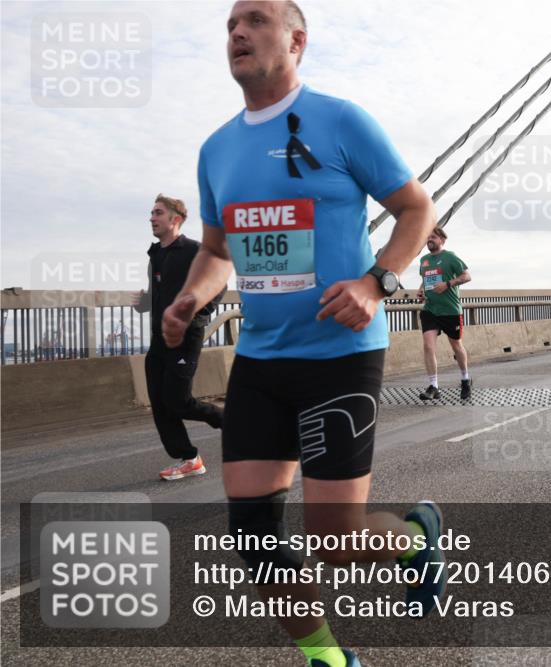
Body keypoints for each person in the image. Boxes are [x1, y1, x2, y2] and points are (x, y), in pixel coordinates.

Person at [163, 3, 442, 665]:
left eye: (255, 19)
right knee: (254, 537)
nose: (237, 31)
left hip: (339, 356)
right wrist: (190, 298)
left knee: (335, 540)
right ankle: (330, 659)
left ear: (296, 40)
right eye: (231, 23)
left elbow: (415, 207)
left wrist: (378, 282)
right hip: (260, 361)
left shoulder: (341, 120)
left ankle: (414, 534)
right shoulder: (215, 149)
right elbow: (217, 251)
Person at [132, 194, 225, 480]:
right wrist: (145, 302)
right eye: (151, 212)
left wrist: (195, 315)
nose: (151, 217)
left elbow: (218, 284)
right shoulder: (156, 255)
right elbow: (162, 292)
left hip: (186, 338)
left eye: (158, 212)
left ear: (175, 219)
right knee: (160, 403)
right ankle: (189, 458)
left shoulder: (193, 251)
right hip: (159, 341)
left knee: (178, 401)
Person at [417, 226, 472, 400]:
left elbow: (466, 276)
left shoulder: (450, 257)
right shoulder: (424, 260)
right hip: (430, 310)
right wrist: (420, 290)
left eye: (433, 237)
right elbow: (425, 281)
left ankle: (465, 379)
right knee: (428, 345)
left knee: (456, 346)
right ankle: (434, 386)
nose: (429, 240)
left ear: (442, 240)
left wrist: (448, 284)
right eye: (428, 237)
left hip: (450, 310)